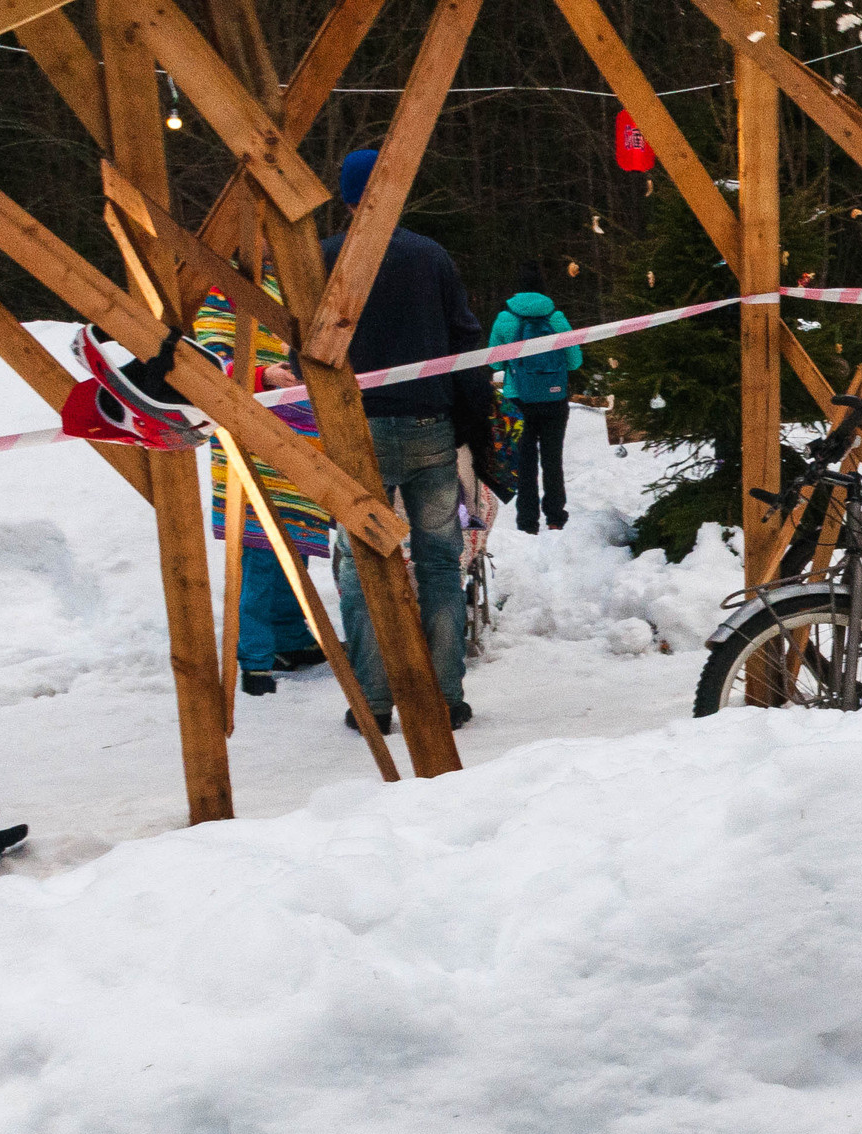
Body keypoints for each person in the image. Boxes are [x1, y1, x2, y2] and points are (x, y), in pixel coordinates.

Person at [320, 147, 484, 733]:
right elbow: (466, 337)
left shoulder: (325, 258)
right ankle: (446, 695)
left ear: (344, 197)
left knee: (361, 562)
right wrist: (473, 418)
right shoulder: (430, 256)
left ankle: (374, 701)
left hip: (354, 431)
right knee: (440, 559)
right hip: (428, 428)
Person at [193, 276, 331, 695]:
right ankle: (253, 657)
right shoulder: (223, 288)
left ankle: (291, 638)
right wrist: (261, 374)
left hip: (305, 436)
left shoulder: (302, 278)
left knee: (297, 539)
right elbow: (206, 365)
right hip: (252, 438)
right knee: (259, 548)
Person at [489, 262, 581, 534]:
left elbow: (494, 364)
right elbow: (575, 361)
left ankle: (527, 522)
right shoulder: (557, 318)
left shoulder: (505, 319)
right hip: (554, 400)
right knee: (553, 459)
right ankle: (555, 517)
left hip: (518, 399)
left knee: (525, 462)